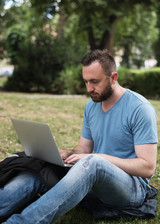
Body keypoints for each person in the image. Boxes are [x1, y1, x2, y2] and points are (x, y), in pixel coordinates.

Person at [0, 49, 158, 224]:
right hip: (93, 178)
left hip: (130, 189)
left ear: (113, 77)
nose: (89, 88)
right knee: (41, 171)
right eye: (86, 82)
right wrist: (65, 154)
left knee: (94, 163)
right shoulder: (92, 106)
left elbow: (147, 167)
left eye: (95, 82)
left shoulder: (140, 109)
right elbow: (84, 149)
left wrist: (96, 158)